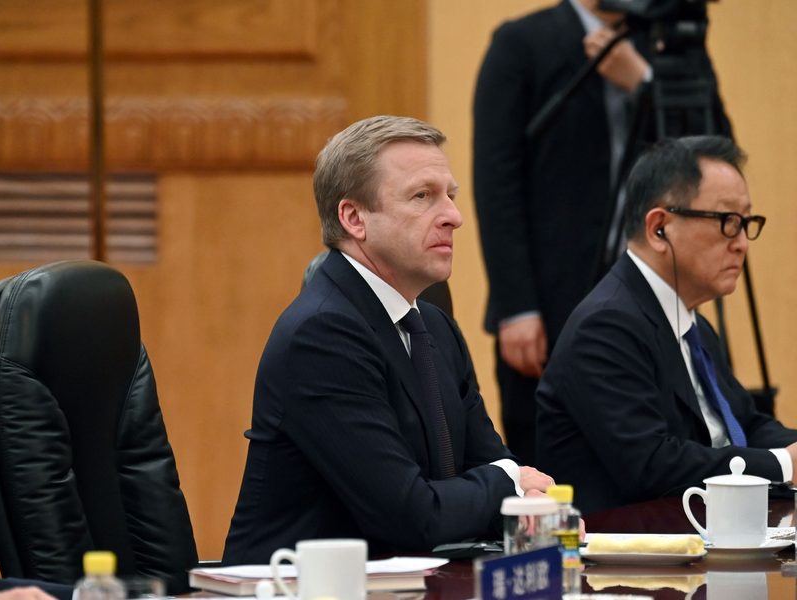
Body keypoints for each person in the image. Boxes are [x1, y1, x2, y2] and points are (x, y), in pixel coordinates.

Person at [222, 116, 554, 564]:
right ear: (354, 218)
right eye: (424, 196)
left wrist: (521, 496)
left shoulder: (435, 327)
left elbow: (492, 469)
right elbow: (413, 516)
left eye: (451, 197)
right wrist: (510, 484)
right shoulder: (323, 335)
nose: (454, 217)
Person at [473, 0, 732, 465]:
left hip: (649, 283)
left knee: (653, 448)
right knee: (545, 464)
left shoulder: (668, 42)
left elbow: (717, 152)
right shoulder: (522, 43)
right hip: (548, 296)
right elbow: (496, 182)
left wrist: (646, 84)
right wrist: (517, 306)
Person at [535, 136, 797, 514]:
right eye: (728, 221)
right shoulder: (606, 327)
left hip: (701, 536)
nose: (742, 243)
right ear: (660, 228)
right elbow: (653, 464)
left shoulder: (693, 326)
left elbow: (747, 424)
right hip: (625, 560)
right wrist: (784, 465)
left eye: (746, 223)